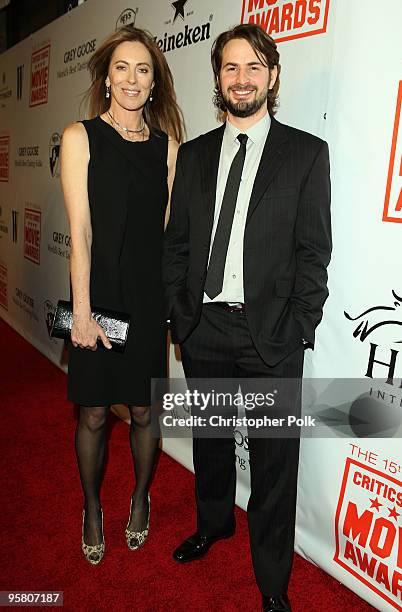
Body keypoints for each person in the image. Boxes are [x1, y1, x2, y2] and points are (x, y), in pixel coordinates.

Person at [163, 23, 331, 612]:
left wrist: (296, 327)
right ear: (218, 78)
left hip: (272, 336)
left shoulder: (307, 153)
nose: (242, 78)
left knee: (274, 461)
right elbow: (177, 244)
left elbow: (314, 253)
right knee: (209, 441)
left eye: (254, 67)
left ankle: (273, 581)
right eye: (231, 67)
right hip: (203, 325)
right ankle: (213, 522)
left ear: (273, 76)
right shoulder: (194, 155)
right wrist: (182, 317)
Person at [61, 25, 183, 565]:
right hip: (99, 297)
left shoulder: (169, 149)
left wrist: (171, 308)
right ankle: (92, 507)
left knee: (142, 411)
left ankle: (138, 497)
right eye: (121, 68)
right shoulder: (80, 137)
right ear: (106, 77)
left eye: (143, 70)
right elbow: (80, 233)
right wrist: (82, 314)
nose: (132, 79)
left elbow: (165, 235)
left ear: (154, 83)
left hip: (147, 297)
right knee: (91, 413)